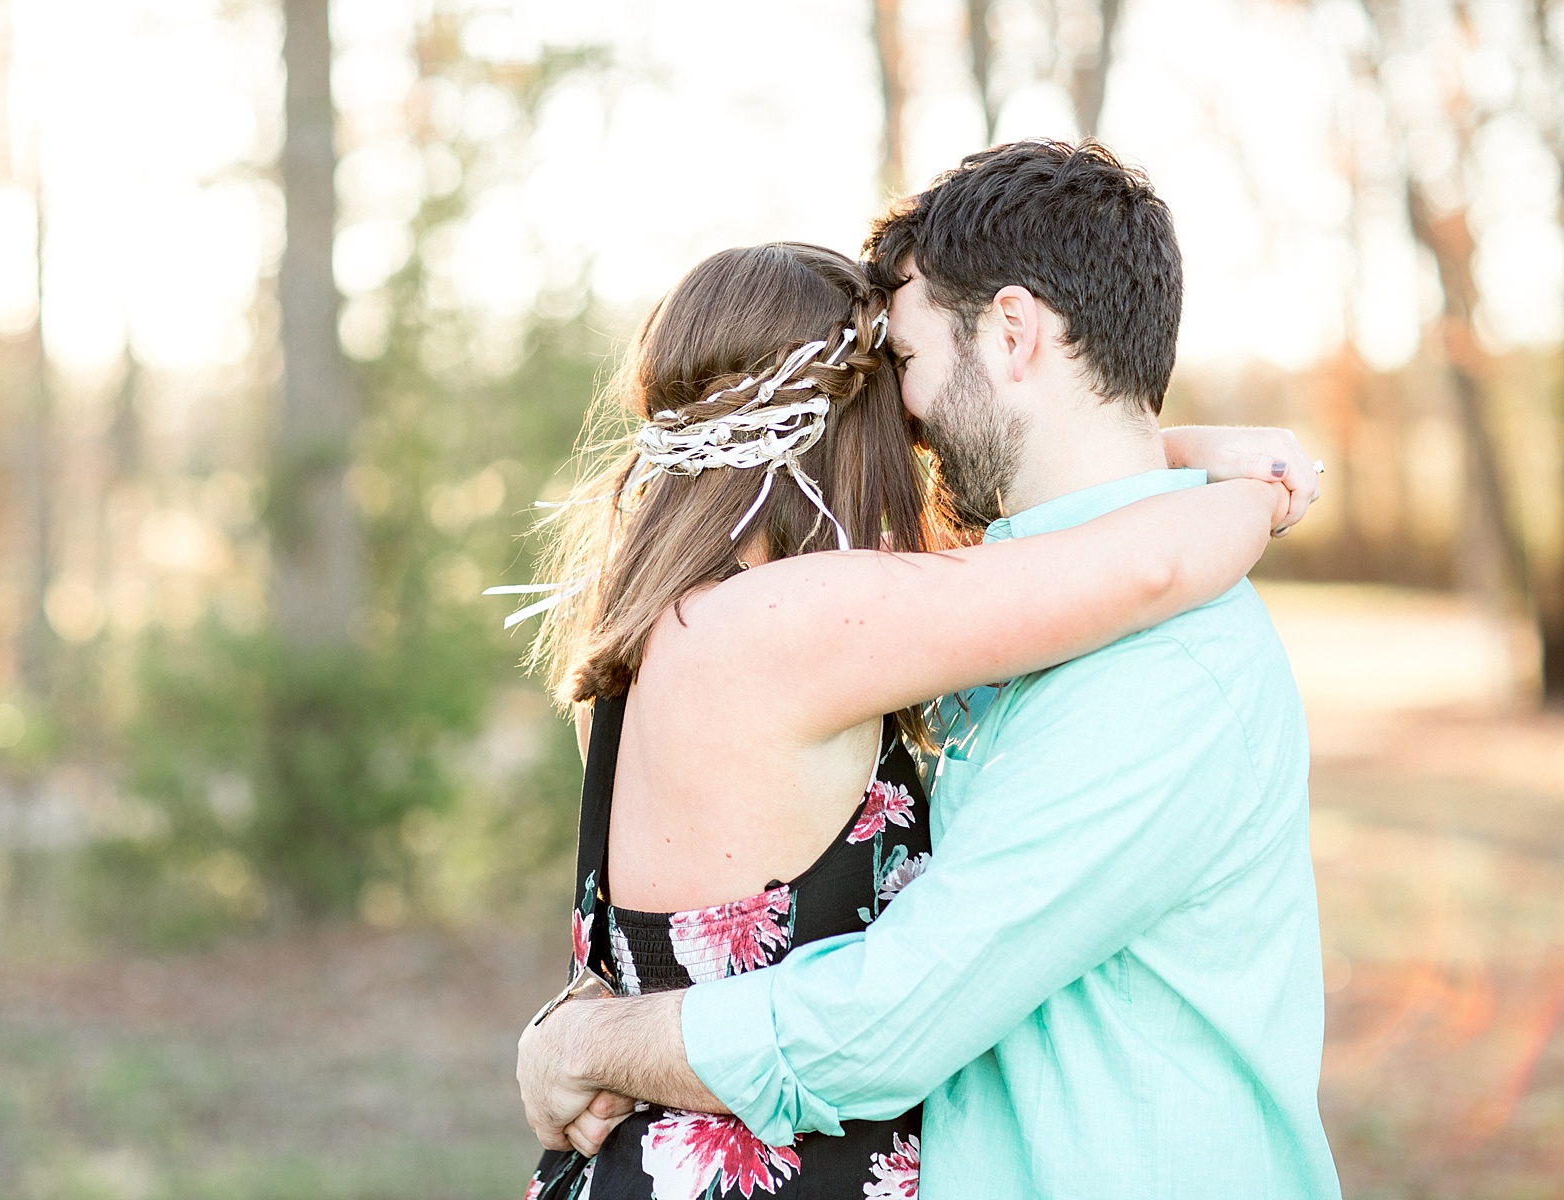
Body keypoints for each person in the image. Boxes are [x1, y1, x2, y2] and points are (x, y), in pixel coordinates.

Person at [514, 141, 1342, 1200]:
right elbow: (1126, 558)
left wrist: (590, 1043)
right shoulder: (954, 608)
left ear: (1011, 331)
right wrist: (1232, 473)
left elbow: (883, 1023)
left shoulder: (1167, 669)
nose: (898, 415)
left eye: (903, 361)